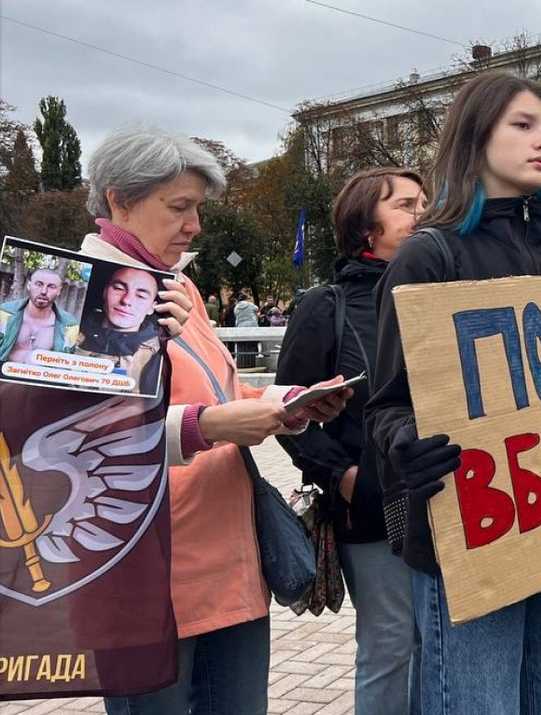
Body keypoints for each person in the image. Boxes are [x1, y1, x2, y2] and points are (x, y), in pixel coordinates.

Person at [78, 126, 352, 715]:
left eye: (198, 207)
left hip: (228, 560)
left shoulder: (179, 286)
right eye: (179, 207)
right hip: (144, 573)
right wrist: (210, 427)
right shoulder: (74, 297)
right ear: (120, 200)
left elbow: (222, 389)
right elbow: (79, 440)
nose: (195, 224)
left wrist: (291, 403)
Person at [367, 69, 541, 715]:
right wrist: (406, 445)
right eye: (523, 126)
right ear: (477, 137)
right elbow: (386, 403)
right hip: (470, 536)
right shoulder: (428, 257)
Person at [275, 167, 428, 715]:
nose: (423, 214)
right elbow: (286, 415)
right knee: (392, 645)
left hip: (448, 497)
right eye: (407, 205)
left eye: (426, 203)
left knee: (440, 644)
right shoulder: (328, 305)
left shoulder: (439, 292)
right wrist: (343, 476)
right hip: (373, 509)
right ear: (368, 226)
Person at [75, 265, 165, 394]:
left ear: (151, 307)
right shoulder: (67, 334)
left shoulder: (160, 354)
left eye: (140, 296)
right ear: (105, 292)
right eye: (119, 288)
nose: (126, 300)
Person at [0, 267, 80, 363]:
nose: (43, 291)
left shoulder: (70, 326)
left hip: (41, 376)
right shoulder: (4, 314)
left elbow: (69, 362)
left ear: (59, 291)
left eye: (51, 287)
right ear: (29, 285)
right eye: (39, 284)